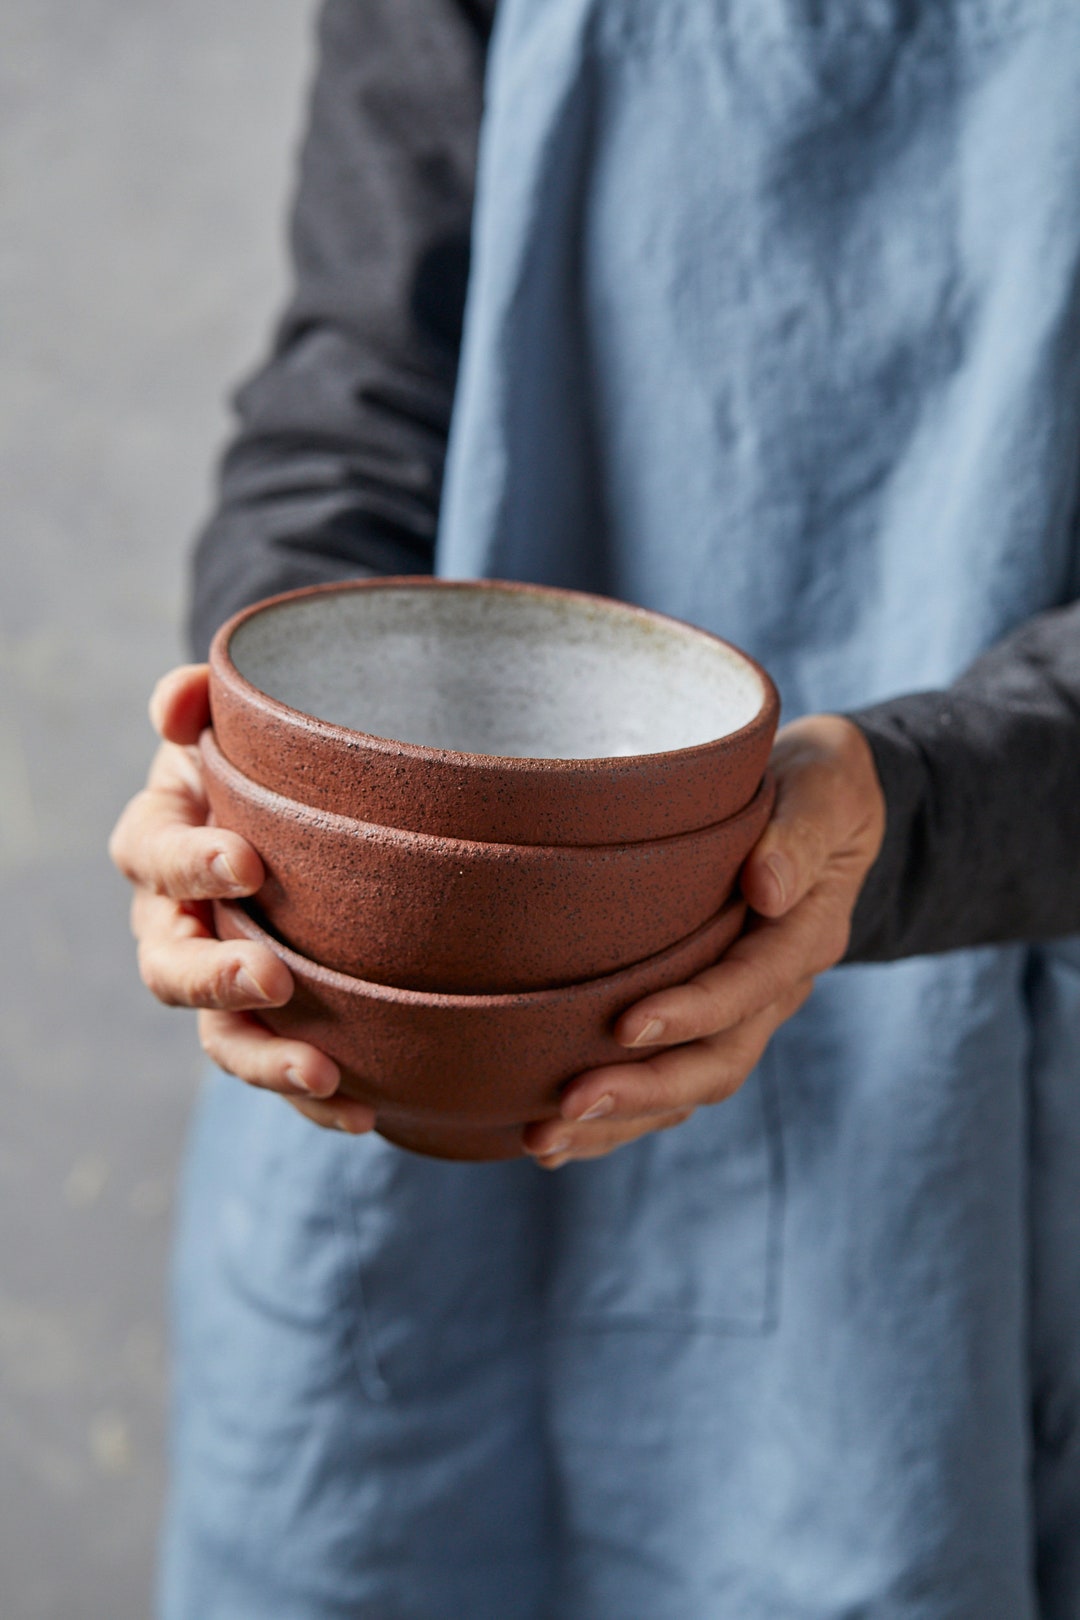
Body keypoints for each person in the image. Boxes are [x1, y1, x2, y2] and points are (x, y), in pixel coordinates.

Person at [109, 2, 1080, 1614]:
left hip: (948, 1131)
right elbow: (353, 383)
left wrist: (906, 818)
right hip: (396, 1137)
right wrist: (250, 768)